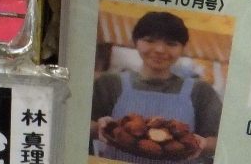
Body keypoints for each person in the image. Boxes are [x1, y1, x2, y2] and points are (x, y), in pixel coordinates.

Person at [90, 11, 222, 162]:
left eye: (171, 43)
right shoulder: (109, 83)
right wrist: (99, 128)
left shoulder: (201, 91)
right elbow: (78, 123)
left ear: (183, 48)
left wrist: (204, 144)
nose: (160, 49)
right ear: (135, 42)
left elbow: (221, 141)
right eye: (150, 40)